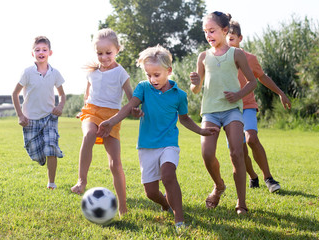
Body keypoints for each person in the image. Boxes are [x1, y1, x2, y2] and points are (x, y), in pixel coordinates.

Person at [96, 45, 219, 231]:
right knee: (151, 192)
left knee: (169, 175)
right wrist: (111, 121)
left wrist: (201, 131)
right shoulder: (143, 88)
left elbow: (184, 119)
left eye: (157, 74)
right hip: (146, 146)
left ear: (168, 71)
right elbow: (130, 106)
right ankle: (165, 204)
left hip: (169, 143)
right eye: (148, 75)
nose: (152, 79)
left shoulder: (180, 95)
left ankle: (180, 220)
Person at [190, 12, 257, 215]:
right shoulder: (203, 56)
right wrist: (194, 83)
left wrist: (238, 94)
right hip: (210, 111)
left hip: (232, 111)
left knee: (236, 152)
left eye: (212, 31)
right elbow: (196, 90)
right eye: (206, 32)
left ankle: (241, 203)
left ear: (225, 30)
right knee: (207, 153)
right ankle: (219, 185)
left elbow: (252, 82)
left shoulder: (236, 54)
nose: (208, 35)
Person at [70, 28, 134, 216]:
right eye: (100, 53)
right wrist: (83, 111)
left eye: (108, 53)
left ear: (117, 50)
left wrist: (136, 109)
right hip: (91, 111)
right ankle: (82, 181)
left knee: (115, 163)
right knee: (89, 133)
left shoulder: (121, 73)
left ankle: (122, 206)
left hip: (112, 116)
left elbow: (132, 98)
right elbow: (87, 94)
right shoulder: (92, 71)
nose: (104, 57)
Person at [226, 20, 291, 192]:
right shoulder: (217, 58)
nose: (228, 42)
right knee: (239, 147)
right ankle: (253, 176)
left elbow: (262, 77)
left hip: (247, 105)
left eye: (232, 39)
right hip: (228, 109)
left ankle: (268, 178)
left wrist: (280, 93)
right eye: (226, 38)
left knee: (251, 139)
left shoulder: (250, 58)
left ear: (240, 38)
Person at [12, 36, 66, 190]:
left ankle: (51, 183)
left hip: (50, 117)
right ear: (32, 53)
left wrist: (60, 106)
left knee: (51, 147)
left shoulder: (55, 73)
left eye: (44, 49)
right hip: (30, 119)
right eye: (37, 50)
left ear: (50, 52)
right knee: (35, 154)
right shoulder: (27, 72)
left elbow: (62, 95)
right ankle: (41, 157)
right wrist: (20, 115)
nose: (41, 52)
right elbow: (14, 94)